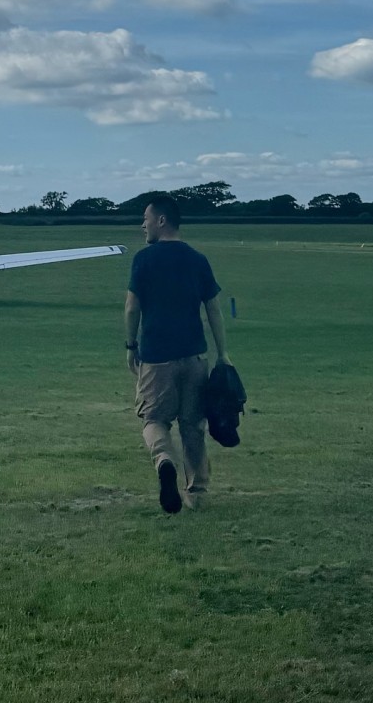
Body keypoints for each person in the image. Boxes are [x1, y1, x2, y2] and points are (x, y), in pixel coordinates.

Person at [123, 195, 232, 513]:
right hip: (194, 356)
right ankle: (196, 492)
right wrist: (223, 354)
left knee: (154, 419)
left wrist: (131, 346)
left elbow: (132, 308)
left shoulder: (144, 260)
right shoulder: (198, 259)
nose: (142, 224)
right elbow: (213, 308)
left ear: (161, 221)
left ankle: (164, 461)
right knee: (193, 424)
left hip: (156, 357)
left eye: (145, 218)